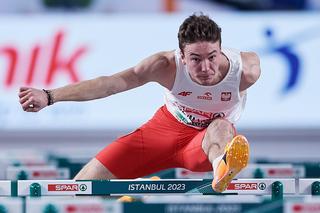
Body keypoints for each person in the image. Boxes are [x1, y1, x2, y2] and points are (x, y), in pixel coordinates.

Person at [18, 13, 260, 192]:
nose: (206, 68)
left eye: (212, 57)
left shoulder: (244, 71)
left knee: (221, 127)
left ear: (220, 51)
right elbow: (109, 84)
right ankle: (123, 199)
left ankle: (222, 168)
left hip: (204, 143)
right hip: (162, 131)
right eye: (196, 59)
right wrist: (50, 96)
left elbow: (248, 60)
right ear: (182, 57)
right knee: (82, 188)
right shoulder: (164, 66)